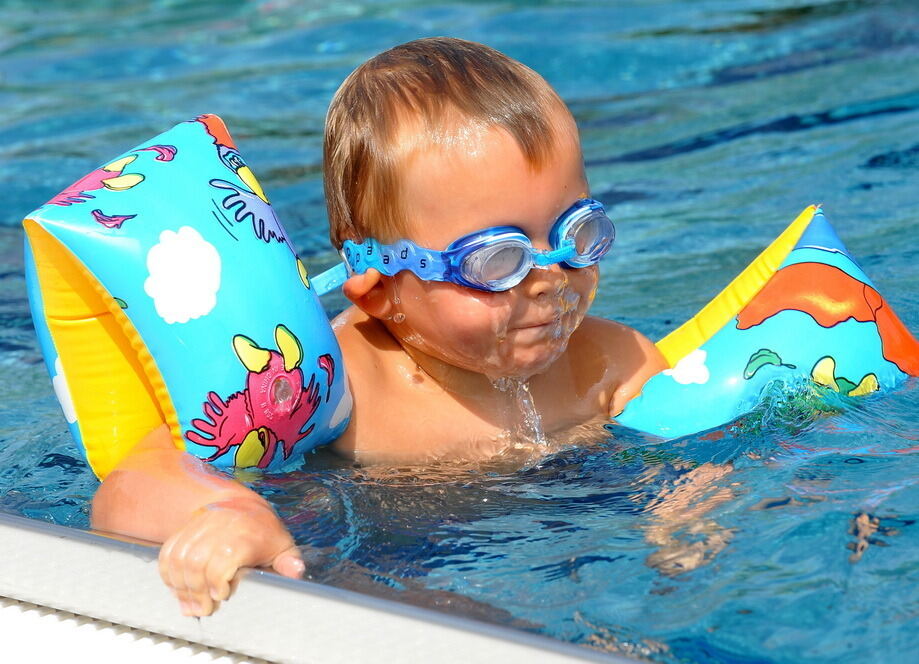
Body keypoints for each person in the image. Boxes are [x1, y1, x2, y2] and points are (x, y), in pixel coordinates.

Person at [91, 37, 667, 617]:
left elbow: (697, 463)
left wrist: (685, 515)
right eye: (498, 260)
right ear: (381, 291)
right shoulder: (335, 384)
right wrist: (222, 513)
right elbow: (133, 482)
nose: (551, 278)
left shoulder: (609, 362)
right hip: (376, 563)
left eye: (578, 234)